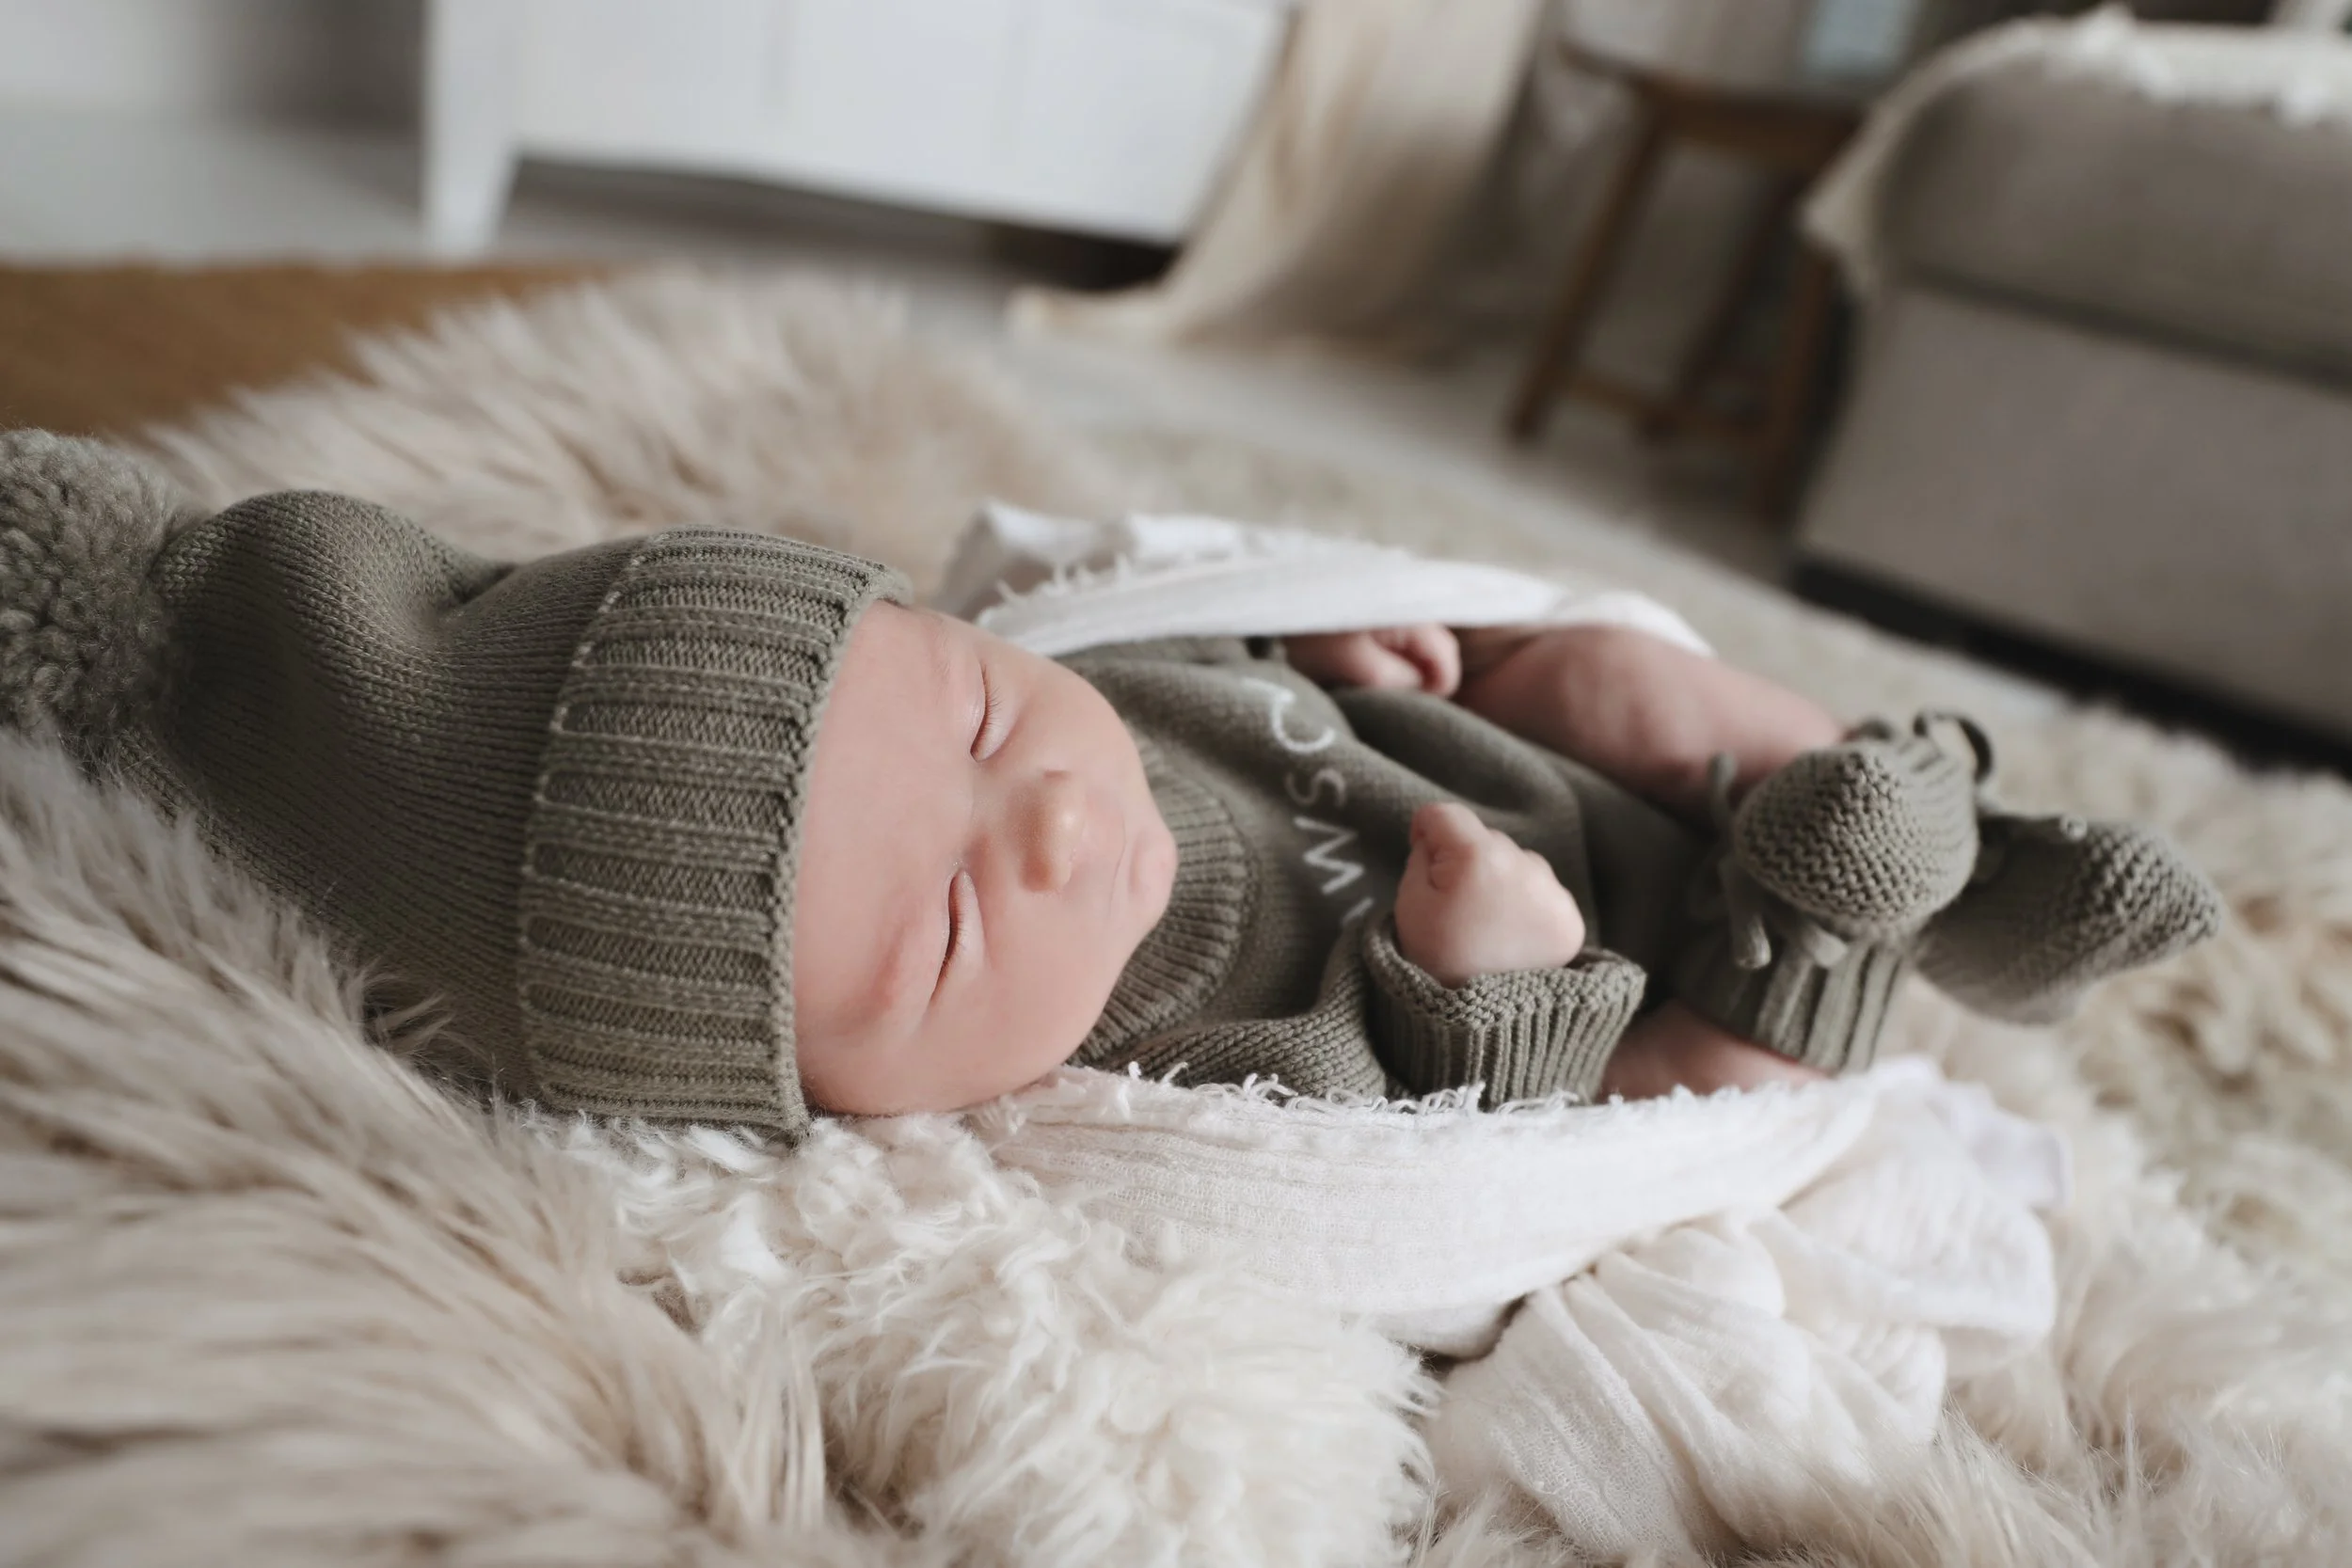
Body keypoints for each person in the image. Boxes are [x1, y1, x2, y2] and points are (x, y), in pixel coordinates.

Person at [0, 431, 2222, 1139]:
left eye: (971, 722)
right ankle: (1867, 914)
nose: (1052, 821)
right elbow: (1402, 1184)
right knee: (1713, 1049)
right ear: (811, 1096)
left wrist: (1310, 644)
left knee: (1610, 673)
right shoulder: (1157, 1057)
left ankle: (1929, 816)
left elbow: (1118, 668)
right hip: (1613, 983)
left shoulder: (1057, 744)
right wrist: (1490, 995)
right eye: (959, 919)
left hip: (1468, 744)